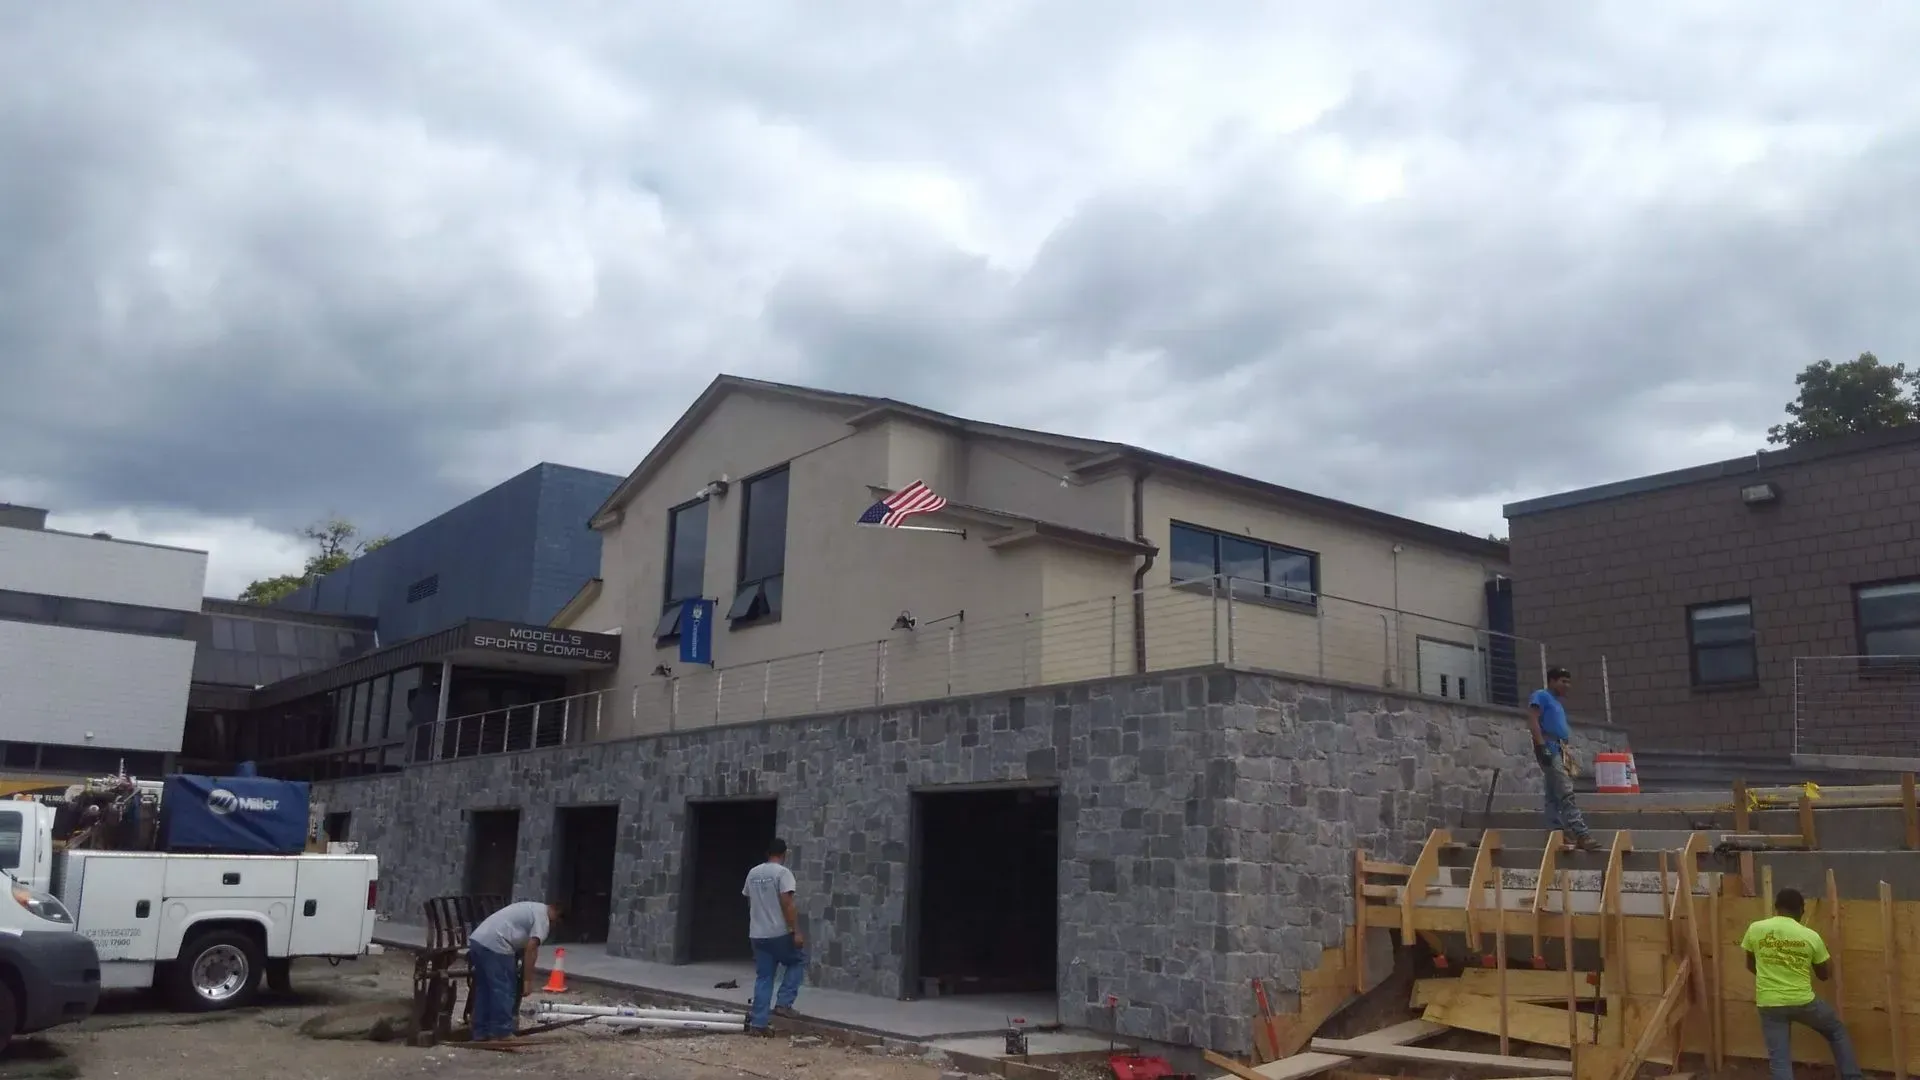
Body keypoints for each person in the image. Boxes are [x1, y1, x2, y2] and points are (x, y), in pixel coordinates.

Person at [1741, 889, 1863, 1080]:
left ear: (1776, 907)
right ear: (1800, 910)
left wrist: (1773, 974)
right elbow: (1824, 975)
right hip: (1803, 1001)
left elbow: (1750, 965)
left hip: (1769, 1003)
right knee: (1836, 1030)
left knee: (1779, 1061)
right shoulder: (1810, 936)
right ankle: (1852, 1077)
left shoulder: (1755, 929)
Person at [466, 900, 561, 1043]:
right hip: (497, 944)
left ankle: (480, 1032)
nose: (555, 925)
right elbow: (531, 949)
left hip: (478, 940)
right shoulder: (543, 919)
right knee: (504, 988)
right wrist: (527, 981)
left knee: (485, 989)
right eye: (558, 920)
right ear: (555, 910)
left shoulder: (532, 907)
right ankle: (501, 1032)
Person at [1528, 667, 1599, 852]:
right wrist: (1542, 746)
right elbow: (1533, 721)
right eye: (1563, 681)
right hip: (1549, 747)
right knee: (1566, 791)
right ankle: (1581, 833)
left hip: (1560, 748)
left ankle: (1555, 831)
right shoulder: (1541, 696)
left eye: (1568, 681)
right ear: (1552, 681)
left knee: (1552, 793)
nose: (1567, 685)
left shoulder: (1557, 703)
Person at [742, 838, 806, 1035]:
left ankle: (759, 1024)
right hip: (778, 933)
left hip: (757, 934)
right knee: (799, 960)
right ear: (784, 853)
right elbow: (787, 903)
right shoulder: (782, 873)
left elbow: (749, 900)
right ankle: (784, 1003)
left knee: (764, 977)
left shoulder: (753, 873)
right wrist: (796, 930)